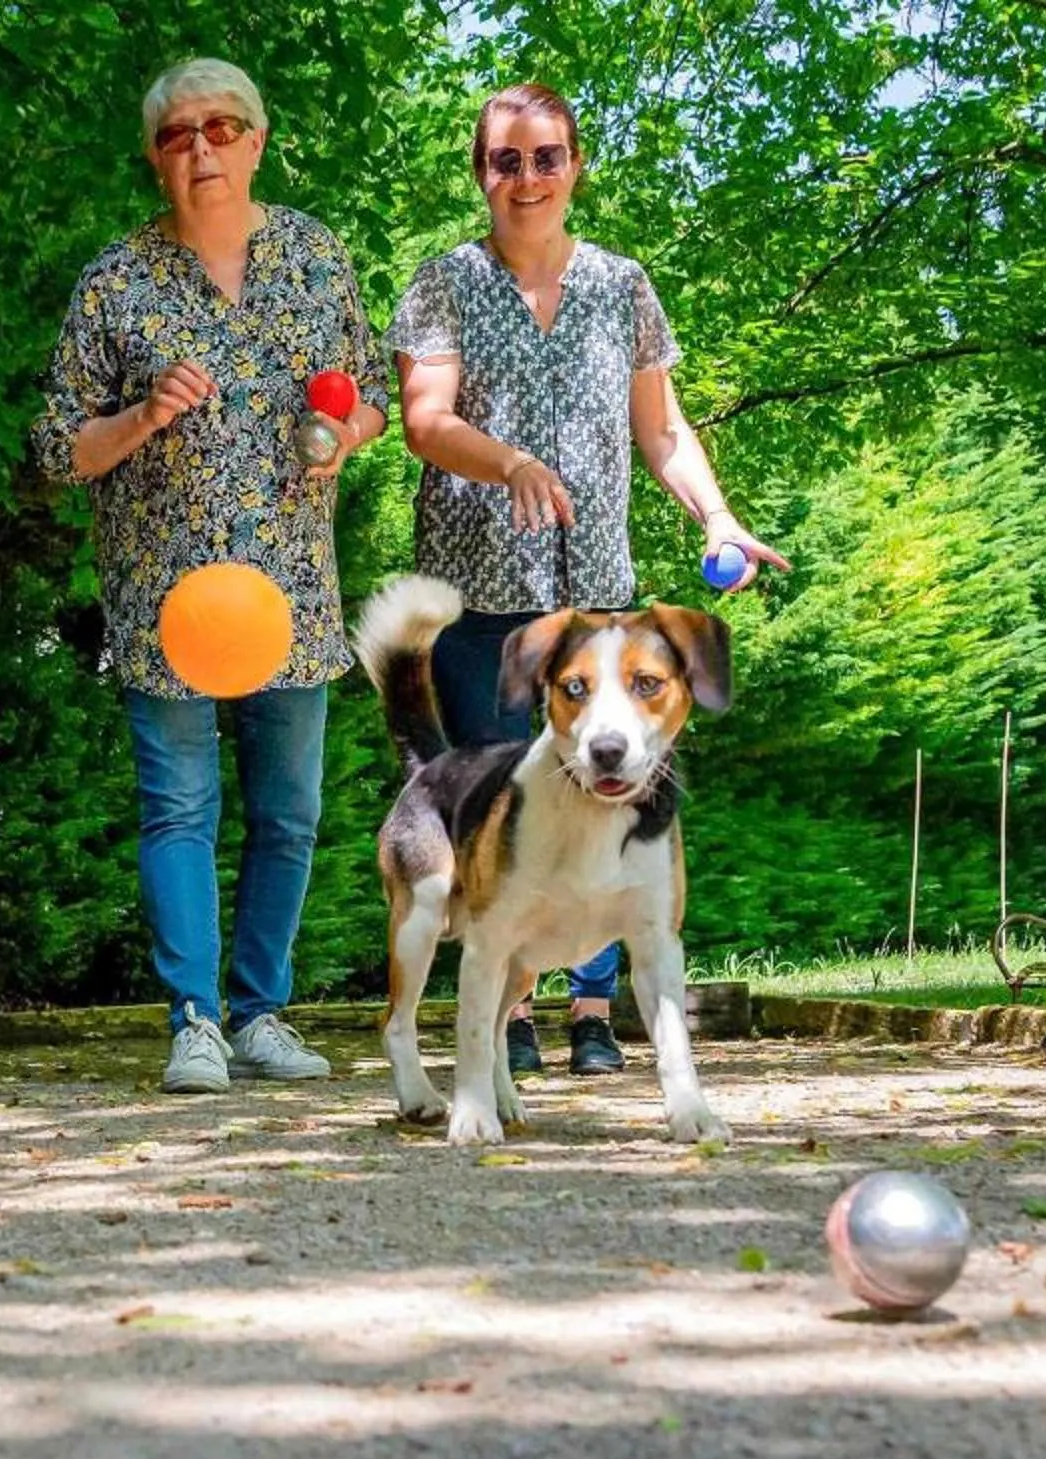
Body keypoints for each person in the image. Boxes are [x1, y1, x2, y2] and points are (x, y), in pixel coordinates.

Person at [390, 82, 784, 1081]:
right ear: (482, 173)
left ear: (575, 166)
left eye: (546, 157)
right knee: (501, 819)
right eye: (506, 160)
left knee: (615, 793)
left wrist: (719, 516)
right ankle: (509, 1015)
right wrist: (509, 462)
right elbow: (425, 421)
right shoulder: (442, 283)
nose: (527, 178)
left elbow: (663, 430)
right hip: (483, 601)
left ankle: (595, 1012)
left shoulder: (623, 285)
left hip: (596, 600)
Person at [35, 58, 389, 1095]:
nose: (202, 148)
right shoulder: (116, 282)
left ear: (257, 140)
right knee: (178, 814)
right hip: (166, 598)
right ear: (155, 158)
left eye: (222, 127)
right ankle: (194, 1021)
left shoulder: (317, 259)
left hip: (292, 593)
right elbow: (58, 451)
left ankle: (260, 1014)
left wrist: (344, 434)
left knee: (288, 814)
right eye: (179, 133)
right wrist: (142, 416)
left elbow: (372, 396)